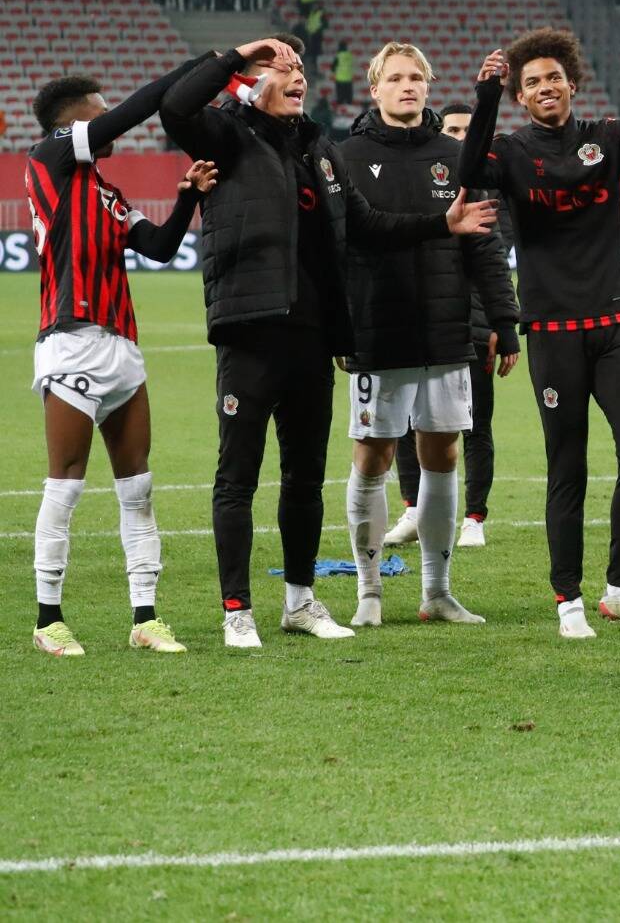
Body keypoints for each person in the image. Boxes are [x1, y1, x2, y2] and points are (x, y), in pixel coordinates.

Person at [161, 35, 495, 648]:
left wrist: (439, 223)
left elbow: (365, 223)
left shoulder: (319, 148)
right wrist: (240, 56)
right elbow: (176, 106)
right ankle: (237, 609)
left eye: (298, 69)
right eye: (278, 68)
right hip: (251, 331)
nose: (295, 76)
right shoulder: (227, 136)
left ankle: (299, 602)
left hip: (314, 337)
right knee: (237, 477)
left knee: (303, 478)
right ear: (250, 82)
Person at [459, 20, 620, 640]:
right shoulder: (509, 153)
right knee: (569, 467)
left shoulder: (607, 139)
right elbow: (466, 167)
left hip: (615, 324)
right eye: (532, 81)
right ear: (521, 94)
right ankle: (568, 599)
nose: (545, 87)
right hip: (553, 331)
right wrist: (484, 97)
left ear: (571, 82)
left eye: (554, 77)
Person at [27, 63, 215, 657]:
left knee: (138, 488)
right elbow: (134, 111)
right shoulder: (51, 155)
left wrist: (186, 200)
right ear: (75, 118)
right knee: (66, 485)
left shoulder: (107, 193)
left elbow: (158, 248)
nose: (112, 121)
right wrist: (201, 70)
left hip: (123, 348)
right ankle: (48, 619)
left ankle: (145, 618)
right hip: (72, 339)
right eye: (99, 110)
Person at [335, 44, 518, 629]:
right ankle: (368, 592)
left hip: (445, 332)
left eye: (417, 77)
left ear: (429, 86)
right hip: (377, 329)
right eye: (396, 78)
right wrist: (341, 324)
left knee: (442, 454)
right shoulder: (348, 157)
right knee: (374, 456)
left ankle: (437, 592)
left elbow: (484, 246)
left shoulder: (456, 159)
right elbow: (345, 247)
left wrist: (504, 323)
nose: (407, 86)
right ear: (375, 88)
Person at [387, 101, 510, 549]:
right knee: (405, 421)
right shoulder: (425, 179)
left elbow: (495, 264)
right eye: (453, 129)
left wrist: (497, 321)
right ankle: (413, 510)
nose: (460, 138)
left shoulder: (490, 192)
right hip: (417, 319)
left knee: (475, 425)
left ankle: (474, 516)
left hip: (472, 326)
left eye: (467, 131)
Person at [331, 40, 354, 106]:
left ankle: (340, 104)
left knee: (340, 95)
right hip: (349, 78)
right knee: (348, 94)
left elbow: (332, 68)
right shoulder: (350, 55)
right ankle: (349, 104)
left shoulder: (338, 56)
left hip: (340, 78)